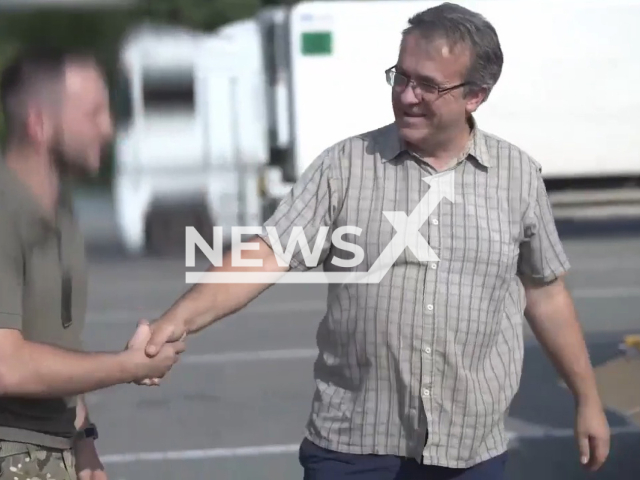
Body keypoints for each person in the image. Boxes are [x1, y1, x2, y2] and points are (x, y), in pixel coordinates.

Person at [137, 3, 611, 479]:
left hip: (470, 453)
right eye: (400, 77)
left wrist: (587, 399)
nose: (406, 96)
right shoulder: (345, 166)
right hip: (353, 447)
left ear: (475, 96)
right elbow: (266, 254)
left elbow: (545, 294)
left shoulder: (518, 178)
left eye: (427, 85)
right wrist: (177, 320)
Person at [0, 48, 186, 480]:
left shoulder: (56, 207)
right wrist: (128, 366)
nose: (108, 128)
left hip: (51, 448)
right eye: (94, 113)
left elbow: (56, 340)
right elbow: (6, 365)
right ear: (39, 124)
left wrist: (83, 443)